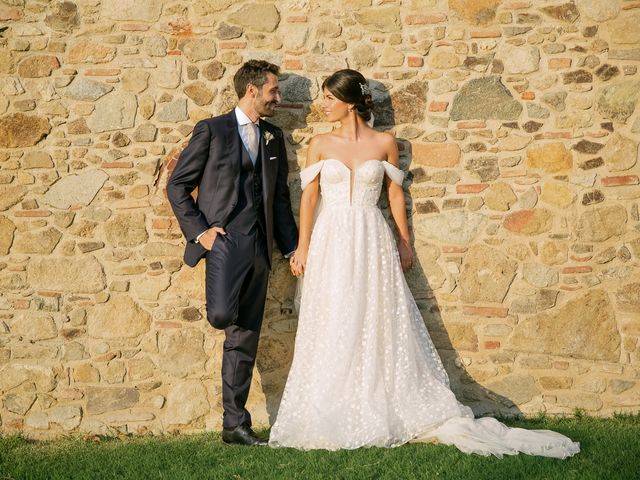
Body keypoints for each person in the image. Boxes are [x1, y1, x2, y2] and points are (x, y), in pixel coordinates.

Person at [268, 69, 580, 458]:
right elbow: (310, 199)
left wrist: (403, 240)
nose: (323, 105)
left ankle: (378, 397)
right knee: (332, 314)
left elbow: (395, 195)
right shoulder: (320, 143)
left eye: (330, 97)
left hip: (372, 237)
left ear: (349, 102)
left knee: (376, 315)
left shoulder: (385, 143)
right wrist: (303, 246)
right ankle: (333, 404)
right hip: (332, 237)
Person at [167, 60, 298, 446]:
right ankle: (234, 419)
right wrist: (201, 233)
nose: (278, 98)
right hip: (224, 243)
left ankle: (234, 424)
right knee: (223, 315)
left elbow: (280, 202)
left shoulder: (274, 137)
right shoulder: (213, 130)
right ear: (252, 90)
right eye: (273, 91)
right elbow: (177, 186)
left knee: (245, 337)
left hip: (260, 247)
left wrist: (290, 247)